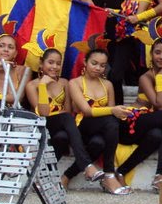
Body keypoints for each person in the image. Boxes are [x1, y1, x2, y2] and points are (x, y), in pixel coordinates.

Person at [25, 49, 104, 185]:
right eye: (50, 62)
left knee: (63, 136)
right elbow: (43, 113)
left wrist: (58, 114)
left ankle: (44, 174)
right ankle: (87, 166)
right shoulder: (32, 85)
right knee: (66, 118)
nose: (54, 67)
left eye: (58, 63)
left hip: (61, 125)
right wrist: (43, 86)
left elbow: (68, 109)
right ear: (41, 63)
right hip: (43, 125)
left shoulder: (64, 82)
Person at [66, 48, 131, 194]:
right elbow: (86, 111)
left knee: (99, 143)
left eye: (102, 65)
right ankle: (109, 174)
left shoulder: (107, 84)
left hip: (101, 129)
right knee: (110, 120)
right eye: (94, 63)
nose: (98, 68)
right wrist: (113, 110)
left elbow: (111, 112)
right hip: (82, 125)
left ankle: (66, 176)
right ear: (85, 62)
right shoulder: (74, 83)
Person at [134, 38, 162, 192]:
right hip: (139, 121)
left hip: (158, 126)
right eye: (157, 52)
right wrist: (160, 77)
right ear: (151, 55)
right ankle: (161, 172)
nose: (161, 57)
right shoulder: (145, 78)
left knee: (157, 135)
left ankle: (158, 176)